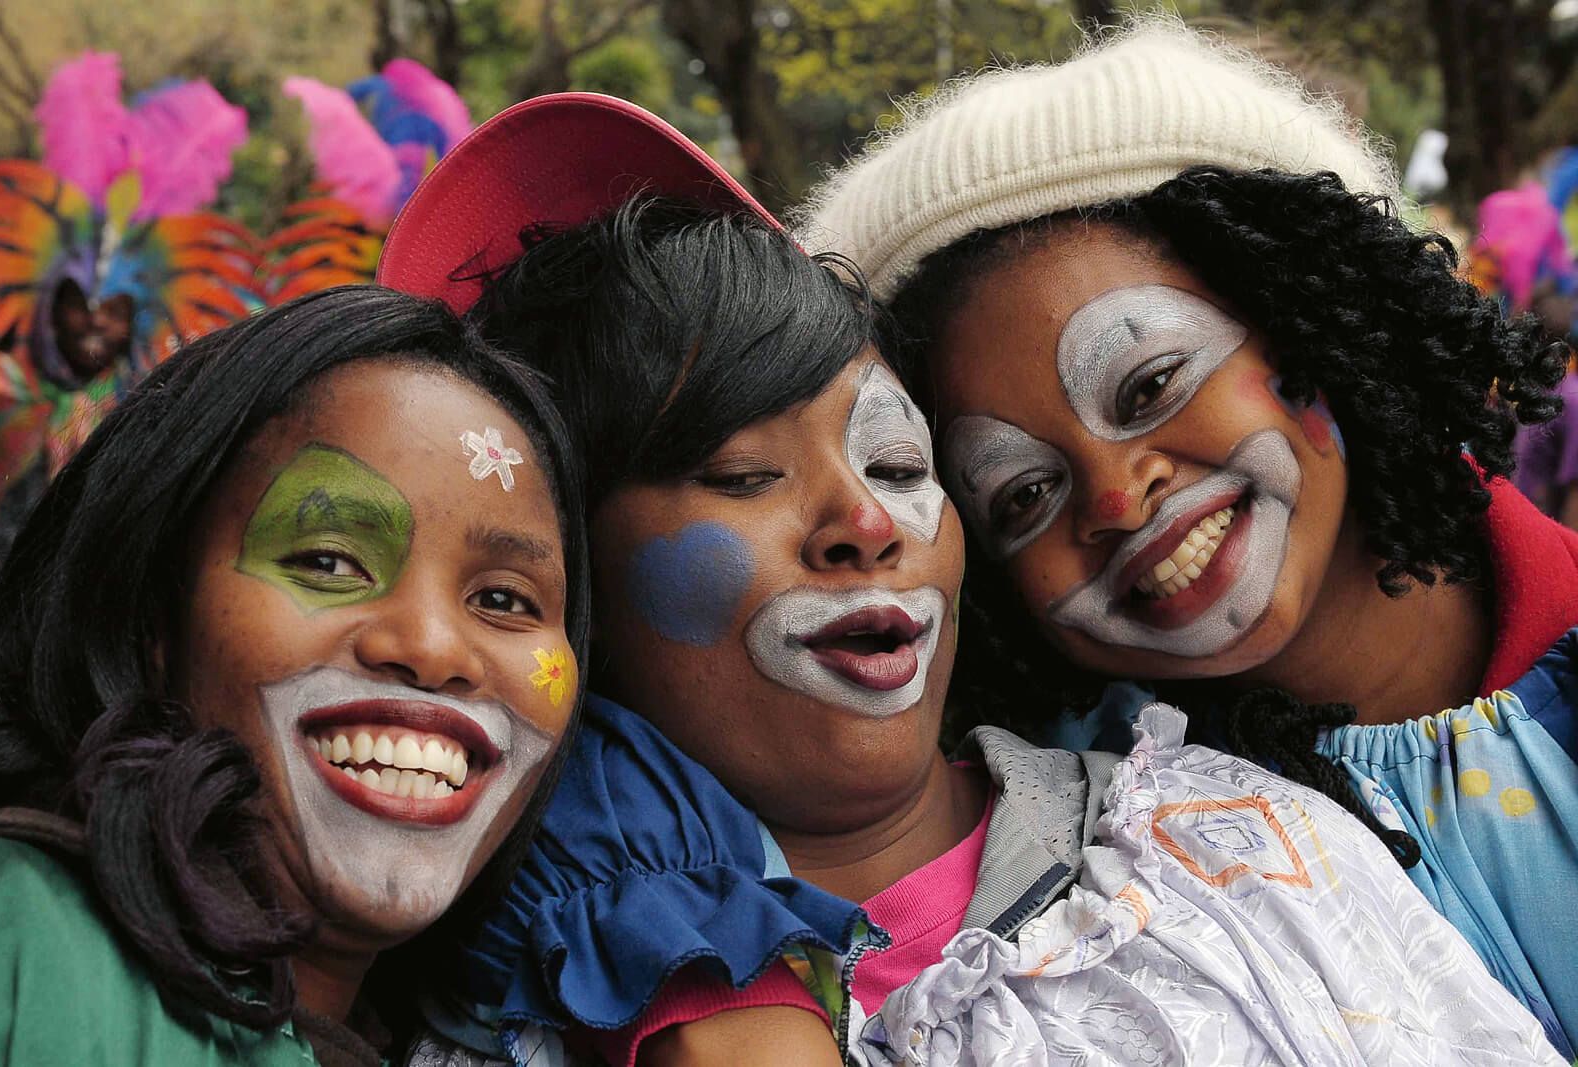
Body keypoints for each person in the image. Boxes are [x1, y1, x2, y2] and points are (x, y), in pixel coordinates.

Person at [375, 94, 1567, 1066]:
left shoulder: (1229, 845)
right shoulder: (527, 979)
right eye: (742, 476)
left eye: (899, 464)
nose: (863, 521)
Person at [798, 16, 1578, 1057]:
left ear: (1314, 320)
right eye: (1022, 494)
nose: (1117, 498)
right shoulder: (1066, 875)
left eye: (1151, 385)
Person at [0, 285, 589, 1065]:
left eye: (503, 600)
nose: (433, 648)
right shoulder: (18, 939)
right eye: (327, 560)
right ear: (153, 617)